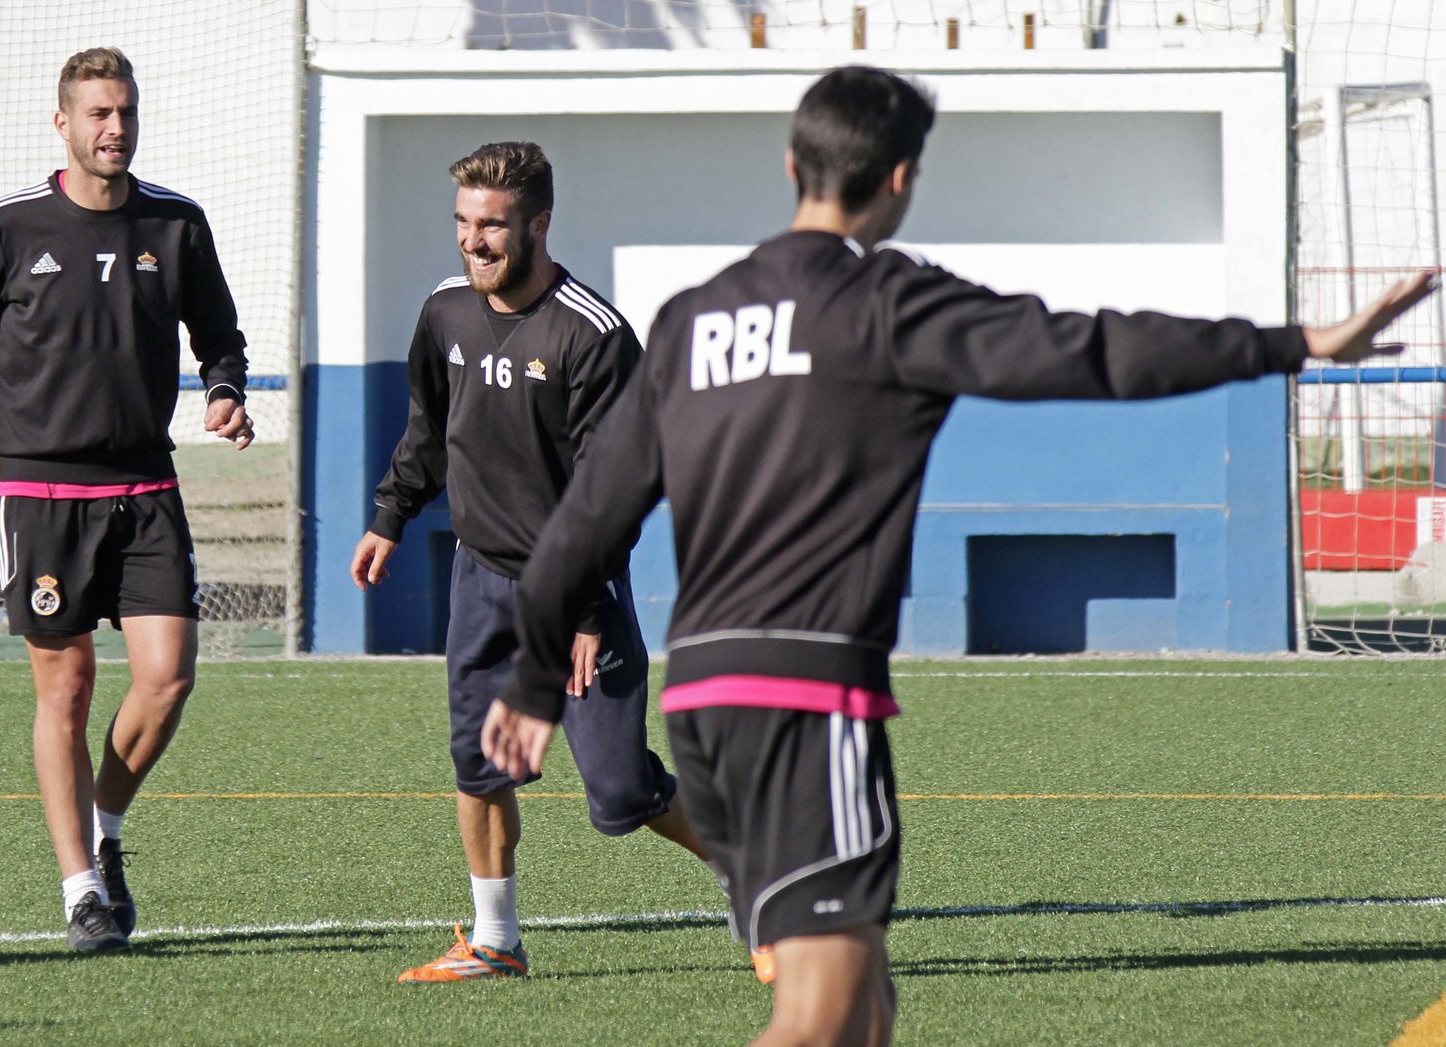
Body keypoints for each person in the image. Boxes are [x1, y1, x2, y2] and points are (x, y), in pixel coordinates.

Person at [480, 66, 1438, 1044]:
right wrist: (1299, 342)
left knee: (862, 1008)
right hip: (805, 701)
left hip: (702, 706)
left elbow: (585, 518)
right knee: (818, 1017)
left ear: (791, 164)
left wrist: (527, 678)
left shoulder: (691, 319)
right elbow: (1094, 352)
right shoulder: (887, 303)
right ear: (899, 178)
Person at [0, 47, 254, 952]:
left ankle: (105, 831)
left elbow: (220, 336)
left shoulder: (177, 225)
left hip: (147, 486)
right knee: (68, 685)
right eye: (97, 115)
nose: (114, 128)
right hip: (42, 494)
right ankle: (81, 888)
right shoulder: (7, 227)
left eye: (125, 112)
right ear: (63, 123)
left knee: (167, 679)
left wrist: (224, 390)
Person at [348, 141, 706, 983]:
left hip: (575, 592)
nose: (474, 243)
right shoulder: (444, 312)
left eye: (493, 227)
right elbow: (430, 431)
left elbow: (609, 489)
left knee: (620, 792)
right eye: (464, 225)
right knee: (477, 765)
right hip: (480, 580)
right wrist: (390, 516)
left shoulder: (594, 334)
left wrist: (582, 613)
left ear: (539, 224)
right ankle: (495, 939)